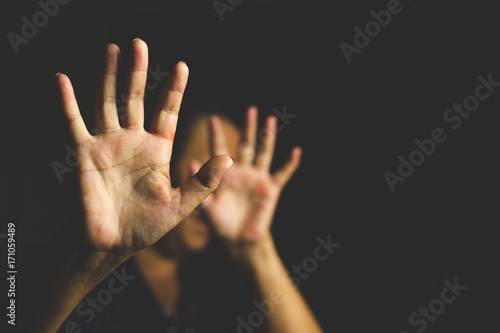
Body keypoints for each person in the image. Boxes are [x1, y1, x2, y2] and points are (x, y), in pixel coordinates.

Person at [19, 39, 322, 332]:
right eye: (206, 168)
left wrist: (254, 247)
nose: (216, 190)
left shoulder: (222, 285)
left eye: (230, 177)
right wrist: (89, 262)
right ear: (160, 164)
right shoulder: (48, 275)